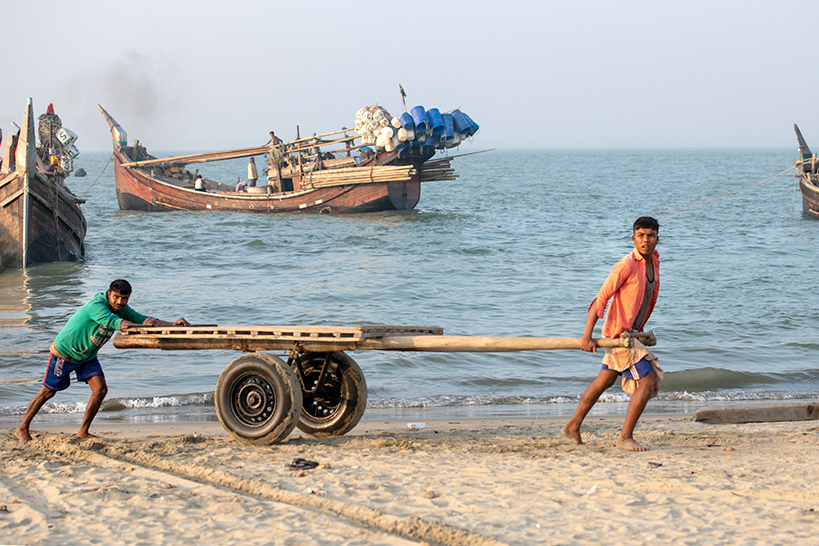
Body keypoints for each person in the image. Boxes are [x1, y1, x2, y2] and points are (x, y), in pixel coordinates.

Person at [16, 279, 190, 442]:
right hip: (64, 353)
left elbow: (143, 319)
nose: (120, 302)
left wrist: (172, 325)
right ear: (108, 294)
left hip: (87, 356)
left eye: (124, 299)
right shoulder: (97, 306)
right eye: (116, 297)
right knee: (48, 392)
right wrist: (144, 327)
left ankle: (83, 432)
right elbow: (116, 323)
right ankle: (22, 428)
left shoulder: (122, 309)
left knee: (100, 390)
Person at [562, 217, 662, 452]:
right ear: (633, 238)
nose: (645, 240)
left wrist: (640, 333)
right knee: (646, 383)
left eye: (650, 236)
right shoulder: (626, 264)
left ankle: (573, 425)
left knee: (604, 381)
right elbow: (601, 298)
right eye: (641, 236)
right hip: (619, 337)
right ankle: (625, 437)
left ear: (657, 238)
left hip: (632, 335)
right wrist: (587, 336)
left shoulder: (654, 262)